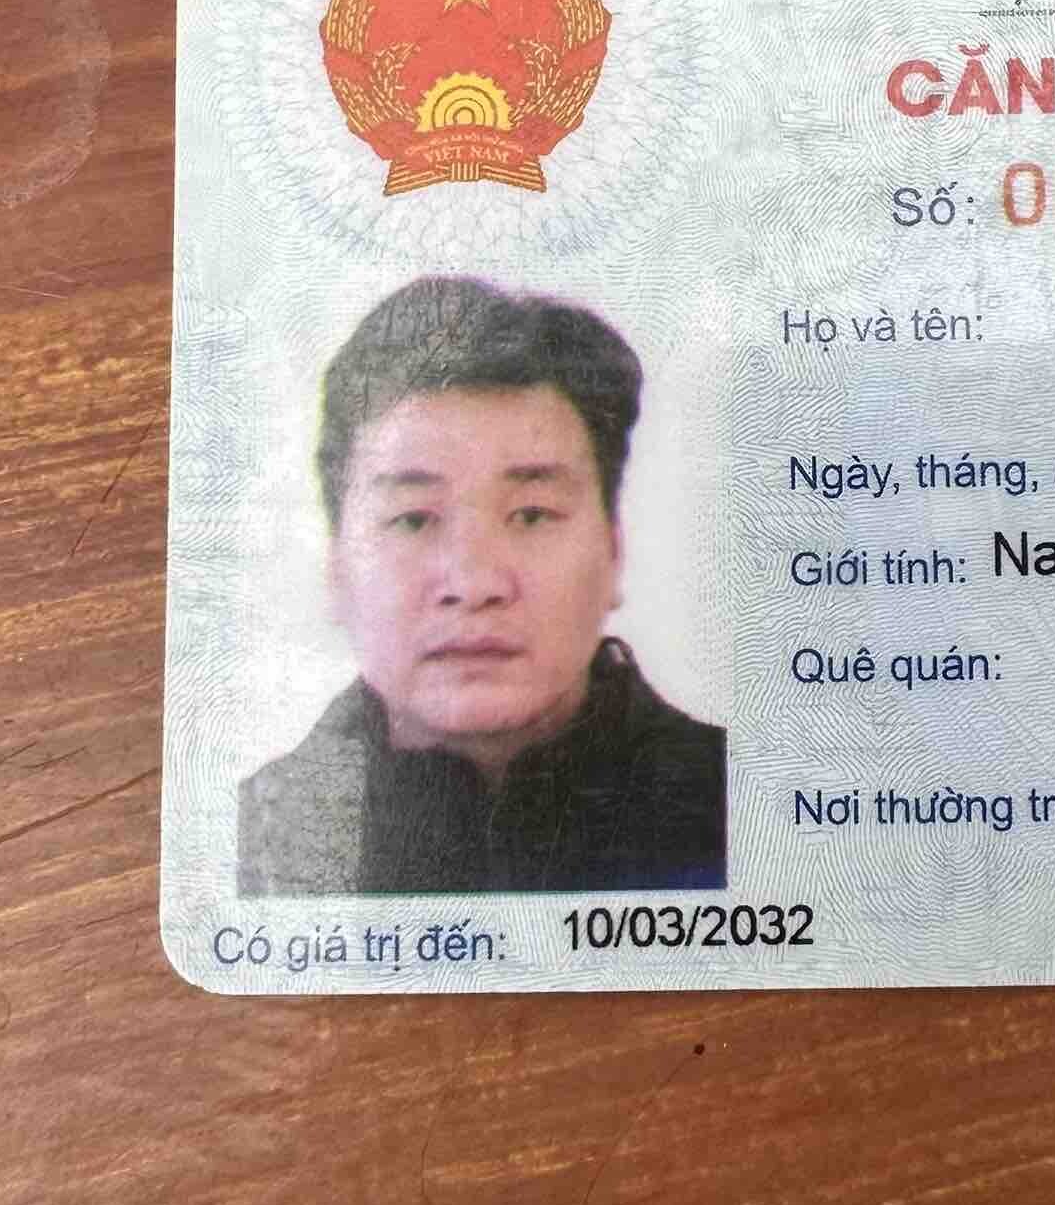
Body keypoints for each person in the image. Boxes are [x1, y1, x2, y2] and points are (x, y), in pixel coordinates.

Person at [237, 275, 724, 894]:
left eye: (532, 515)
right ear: (336, 565)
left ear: (614, 551)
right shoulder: (250, 848)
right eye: (413, 520)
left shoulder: (745, 808)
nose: (473, 584)